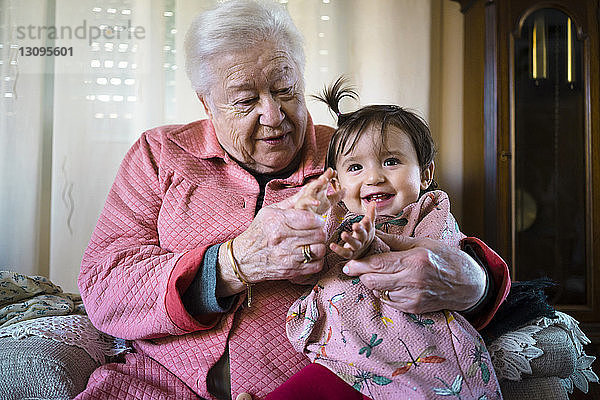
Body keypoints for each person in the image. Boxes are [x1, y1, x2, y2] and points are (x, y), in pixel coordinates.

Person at [76, 1, 510, 399]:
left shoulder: (355, 159)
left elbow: (432, 237)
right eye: (246, 100)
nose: (273, 115)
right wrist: (232, 263)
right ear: (207, 103)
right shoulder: (159, 155)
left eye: (285, 90)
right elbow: (102, 285)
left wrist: (474, 282)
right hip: (160, 385)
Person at [269, 79, 501, 400]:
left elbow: (439, 255)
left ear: (426, 173)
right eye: (355, 167)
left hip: (410, 348)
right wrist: (311, 225)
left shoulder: (430, 211)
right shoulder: (334, 217)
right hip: (340, 352)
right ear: (336, 181)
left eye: (391, 161)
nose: (374, 177)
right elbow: (300, 268)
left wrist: (370, 243)